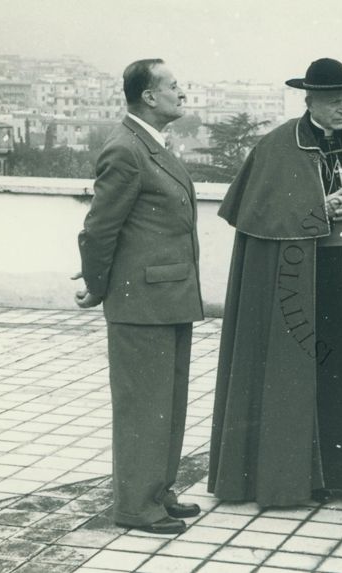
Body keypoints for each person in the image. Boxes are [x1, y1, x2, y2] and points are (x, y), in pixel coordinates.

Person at [208, 57, 342, 508]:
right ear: (309, 100)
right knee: (317, 373)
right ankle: (314, 477)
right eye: (331, 101)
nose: (341, 108)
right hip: (307, 280)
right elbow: (264, 211)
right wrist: (320, 209)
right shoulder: (278, 146)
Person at [74, 59, 203, 535]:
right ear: (148, 97)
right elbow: (98, 229)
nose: (181, 92)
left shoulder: (151, 145)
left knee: (167, 403)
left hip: (167, 296)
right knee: (143, 407)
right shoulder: (125, 149)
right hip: (141, 303)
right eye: (173, 85)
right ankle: (134, 505)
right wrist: (97, 284)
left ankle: (157, 492)